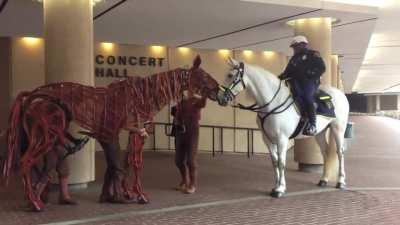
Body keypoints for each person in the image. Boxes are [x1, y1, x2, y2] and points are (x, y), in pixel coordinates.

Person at [279, 35, 326, 136]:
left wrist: (310, 74)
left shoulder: (313, 54)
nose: (294, 49)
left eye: (295, 46)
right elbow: (287, 72)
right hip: (295, 83)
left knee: (308, 98)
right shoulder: (293, 59)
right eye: (293, 47)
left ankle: (313, 124)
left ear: (303, 45)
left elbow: (322, 67)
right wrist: (278, 78)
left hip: (310, 82)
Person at [171, 91, 207, 194]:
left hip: (192, 130)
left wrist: (204, 96)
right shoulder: (179, 102)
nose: (185, 91)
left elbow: (203, 103)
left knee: (191, 160)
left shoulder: (196, 100)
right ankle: (184, 180)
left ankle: (192, 184)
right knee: (178, 160)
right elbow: (174, 113)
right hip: (180, 130)